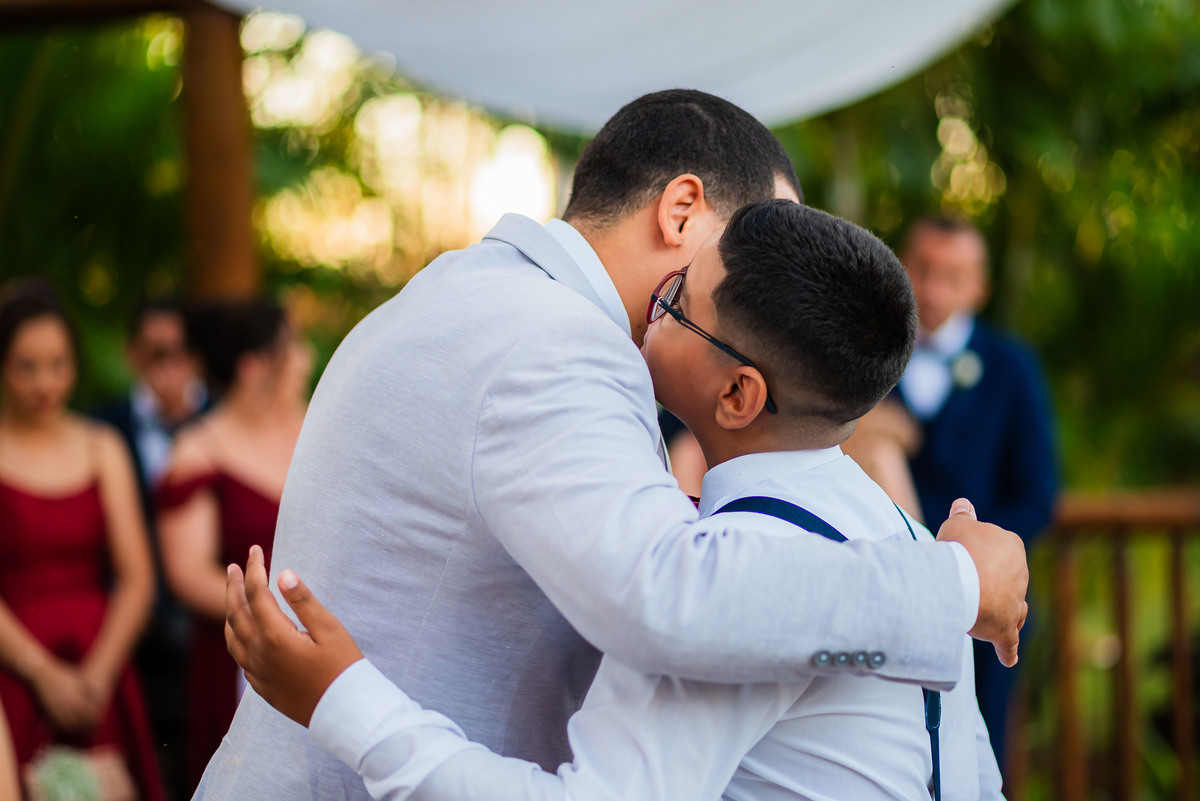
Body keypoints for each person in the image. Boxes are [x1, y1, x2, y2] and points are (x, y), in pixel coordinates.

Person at [197, 90, 1028, 800]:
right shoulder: (555, 339)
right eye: (759, 238)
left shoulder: (479, 294)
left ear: (746, 393)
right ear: (681, 210)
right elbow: (672, 591)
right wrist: (956, 584)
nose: (779, 275)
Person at [845, 216, 1057, 777]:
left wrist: (973, 562)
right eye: (924, 270)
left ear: (979, 287)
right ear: (903, 269)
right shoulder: (857, 359)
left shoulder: (1013, 369)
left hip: (985, 607)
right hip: (882, 593)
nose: (935, 290)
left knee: (980, 755)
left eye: (954, 275)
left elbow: (1038, 494)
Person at [0, 281, 164, 801]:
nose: (45, 382)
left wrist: (98, 675)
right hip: (14, 667)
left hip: (101, 666)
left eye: (58, 364)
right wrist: (41, 672)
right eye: (27, 366)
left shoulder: (102, 448)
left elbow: (137, 578)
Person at [154, 296, 311, 791]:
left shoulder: (317, 426)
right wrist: (268, 616)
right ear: (252, 367)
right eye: (294, 346)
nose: (306, 358)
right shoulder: (198, 450)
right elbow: (188, 573)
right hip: (238, 653)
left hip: (326, 638)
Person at [91, 295, 207, 798]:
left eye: (179, 351)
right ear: (132, 354)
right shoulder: (101, 426)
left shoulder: (225, 418)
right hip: (133, 634)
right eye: (156, 353)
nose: (170, 365)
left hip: (209, 628)